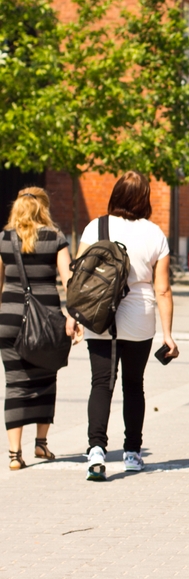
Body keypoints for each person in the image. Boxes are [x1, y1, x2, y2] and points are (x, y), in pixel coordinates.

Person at [81, 172, 178, 480]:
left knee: (101, 383)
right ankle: (133, 453)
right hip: (139, 318)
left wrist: (74, 316)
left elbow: (79, 279)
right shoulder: (154, 234)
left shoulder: (96, 226)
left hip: (100, 317)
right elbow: (163, 289)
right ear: (144, 199)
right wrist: (168, 334)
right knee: (133, 385)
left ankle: (96, 450)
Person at [1, 188, 76, 470]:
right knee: (46, 379)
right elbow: (68, 281)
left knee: (15, 384)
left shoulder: (4, 240)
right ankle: (41, 443)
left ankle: (14, 454)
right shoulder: (55, 238)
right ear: (41, 209)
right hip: (46, 322)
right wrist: (73, 315)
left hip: (8, 321)